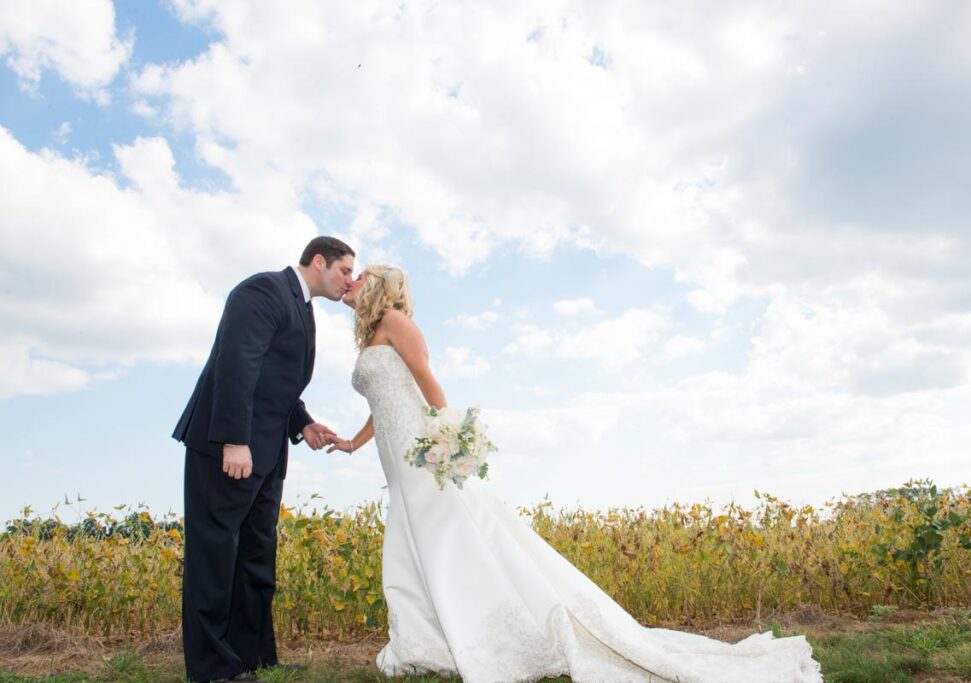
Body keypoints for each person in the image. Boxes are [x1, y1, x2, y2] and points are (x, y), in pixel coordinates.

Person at [329, 264, 823, 683]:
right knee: (417, 543)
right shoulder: (370, 336)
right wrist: (353, 442)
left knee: (449, 540)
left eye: (360, 275)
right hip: (396, 461)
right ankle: (427, 637)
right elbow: (385, 401)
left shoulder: (396, 322)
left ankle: (481, 631)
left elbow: (425, 381)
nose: (352, 280)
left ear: (382, 286)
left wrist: (448, 438)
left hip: (422, 454)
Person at [172, 236, 354, 683]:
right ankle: (213, 669)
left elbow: (275, 380)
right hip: (227, 448)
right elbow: (238, 363)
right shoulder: (263, 290)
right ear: (319, 261)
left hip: (268, 453)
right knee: (215, 556)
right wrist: (234, 439)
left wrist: (303, 422)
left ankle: (252, 656)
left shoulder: (303, 308)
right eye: (345, 271)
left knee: (255, 556)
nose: (349, 281)